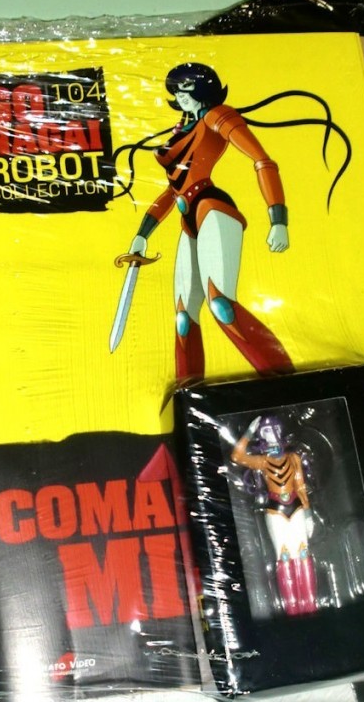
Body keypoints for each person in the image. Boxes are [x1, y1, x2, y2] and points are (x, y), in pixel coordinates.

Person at [124, 63, 295, 380]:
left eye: (186, 89)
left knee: (221, 305)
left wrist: (278, 218)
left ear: (203, 90)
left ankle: (285, 380)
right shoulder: (182, 128)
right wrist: (143, 233)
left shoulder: (217, 116)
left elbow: (262, 160)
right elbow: (173, 189)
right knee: (183, 319)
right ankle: (189, 390)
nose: (180, 95)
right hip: (187, 216)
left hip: (212, 208)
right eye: (176, 90)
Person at [231, 415, 318, 615]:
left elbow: (301, 487)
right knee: (284, 555)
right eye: (267, 430)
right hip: (275, 510)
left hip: (296, 508)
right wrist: (249, 432)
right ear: (262, 434)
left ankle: (310, 605)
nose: (273, 433)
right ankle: (292, 609)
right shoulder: (262, 461)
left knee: (303, 553)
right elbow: (237, 456)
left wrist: (308, 514)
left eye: (276, 429)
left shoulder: (293, 458)